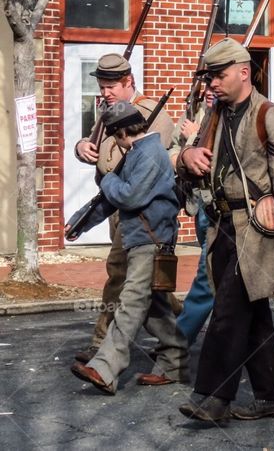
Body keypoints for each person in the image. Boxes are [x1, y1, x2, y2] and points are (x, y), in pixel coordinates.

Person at [177, 38, 274, 422]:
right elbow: (184, 157)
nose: (212, 85)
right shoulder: (214, 116)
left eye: (219, 76)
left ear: (243, 71)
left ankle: (212, 397)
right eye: (209, 78)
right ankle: (271, 397)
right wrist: (187, 156)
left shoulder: (272, 117)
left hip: (257, 228)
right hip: (222, 226)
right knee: (253, 315)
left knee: (228, 312)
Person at [68, 102, 188, 393]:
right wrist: (77, 225)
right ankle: (175, 362)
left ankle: (105, 368)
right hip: (141, 239)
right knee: (153, 309)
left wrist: (107, 178)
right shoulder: (138, 153)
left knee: (131, 303)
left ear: (121, 133)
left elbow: (129, 197)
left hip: (151, 240)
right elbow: (109, 201)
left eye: (114, 137)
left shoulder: (151, 154)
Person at [72, 53, 176, 364]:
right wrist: (81, 148)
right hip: (115, 203)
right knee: (149, 282)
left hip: (139, 207)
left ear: (128, 82)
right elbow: (99, 147)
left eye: (111, 86)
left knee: (122, 273)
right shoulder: (109, 111)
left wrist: (111, 183)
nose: (104, 93)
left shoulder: (151, 114)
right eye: (102, 87)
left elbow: (149, 162)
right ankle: (178, 334)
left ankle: (102, 345)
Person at [172, 82, 216, 346]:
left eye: (216, 83)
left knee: (207, 271)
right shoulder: (193, 113)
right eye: (207, 85)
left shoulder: (229, 116)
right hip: (198, 201)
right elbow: (173, 153)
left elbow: (213, 155)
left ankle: (176, 344)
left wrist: (195, 135)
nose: (211, 89)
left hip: (218, 207)